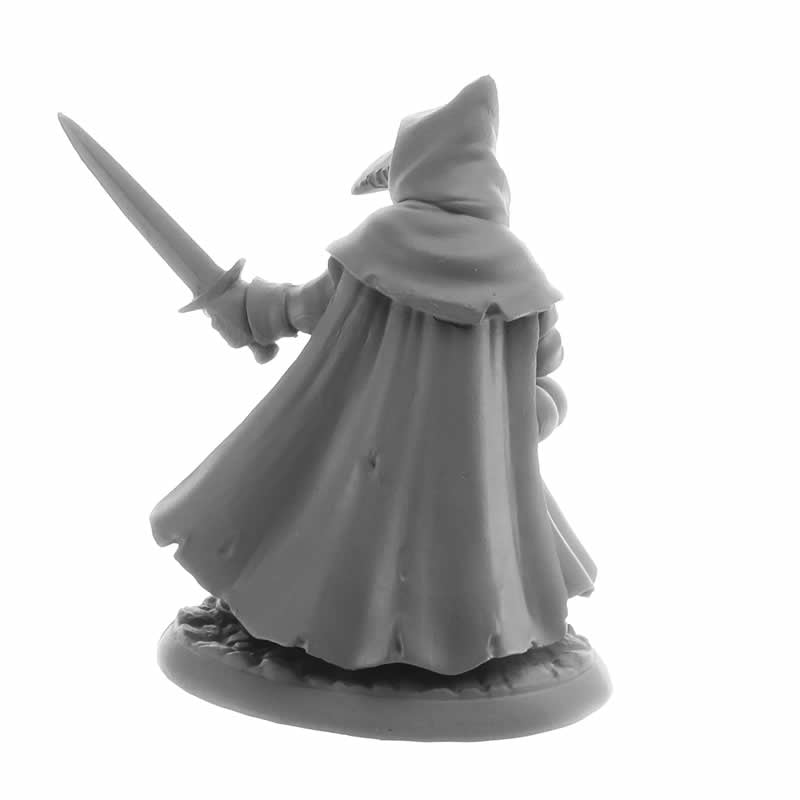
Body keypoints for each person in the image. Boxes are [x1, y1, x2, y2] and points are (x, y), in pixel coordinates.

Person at [150, 76, 596, 676]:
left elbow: (308, 306)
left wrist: (254, 311)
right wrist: (537, 412)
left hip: (373, 460)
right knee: (455, 547)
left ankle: (349, 640)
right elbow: (545, 365)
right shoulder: (520, 277)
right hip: (463, 474)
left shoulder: (383, 243)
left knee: (353, 537)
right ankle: (448, 640)